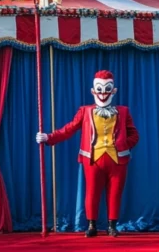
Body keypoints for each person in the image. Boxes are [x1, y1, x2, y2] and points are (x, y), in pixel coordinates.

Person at [36, 70, 139, 237]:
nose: (103, 93)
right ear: (93, 91)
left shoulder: (124, 111)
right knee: (92, 192)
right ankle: (92, 225)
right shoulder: (85, 111)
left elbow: (134, 135)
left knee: (115, 192)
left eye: (107, 89)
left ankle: (112, 225)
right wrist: (49, 137)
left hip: (118, 160)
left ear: (114, 91)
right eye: (99, 89)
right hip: (92, 159)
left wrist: (123, 144)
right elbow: (68, 129)